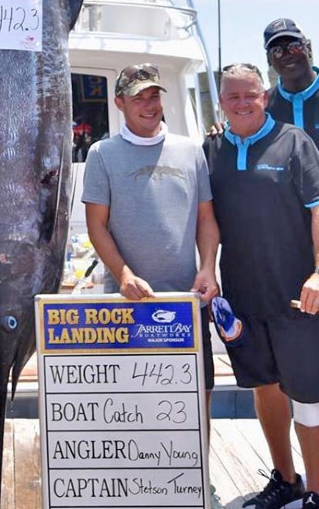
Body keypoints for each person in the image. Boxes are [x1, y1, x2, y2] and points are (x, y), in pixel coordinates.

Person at [204, 62, 319, 509]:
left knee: (306, 394)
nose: (242, 103)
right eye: (233, 96)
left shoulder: (293, 141)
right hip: (244, 294)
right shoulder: (212, 149)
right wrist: (206, 268)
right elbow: (206, 219)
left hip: (298, 293)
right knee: (264, 388)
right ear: (221, 102)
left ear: (265, 96)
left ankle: (316, 495)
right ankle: (285, 480)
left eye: (250, 94)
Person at [81, 64, 220, 398]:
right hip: (127, 303)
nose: (149, 105)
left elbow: (206, 219)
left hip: (187, 301)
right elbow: (96, 226)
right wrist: (124, 274)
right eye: (138, 98)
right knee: (133, 400)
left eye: (154, 95)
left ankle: (198, 453)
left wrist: (207, 268)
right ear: (119, 103)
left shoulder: (190, 151)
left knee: (198, 394)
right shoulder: (102, 154)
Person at [262, 18, 319, 489]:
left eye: (293, 44)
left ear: (309, 46)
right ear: (269, 58)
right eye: (277, 49)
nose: (287, 54)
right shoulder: (266, 106)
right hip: (299, 264)